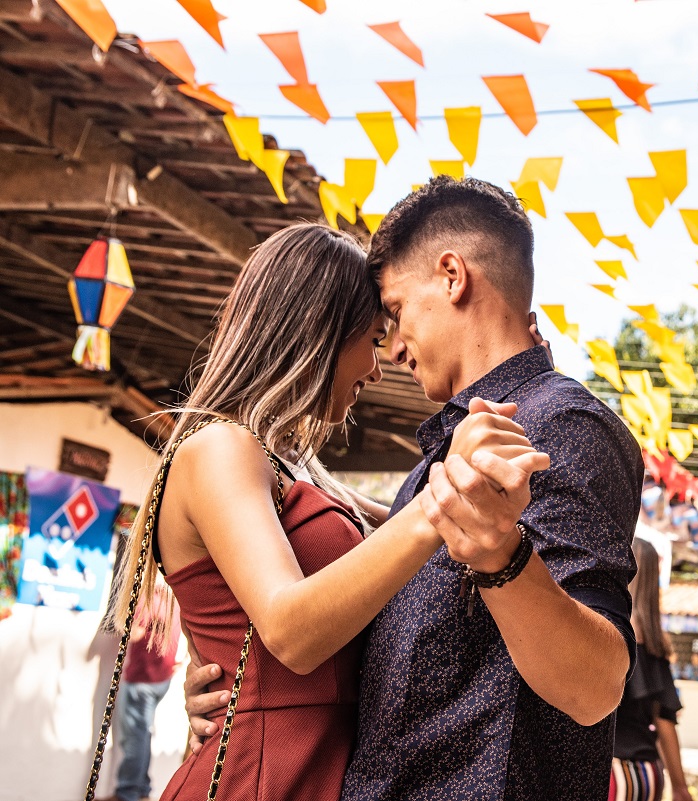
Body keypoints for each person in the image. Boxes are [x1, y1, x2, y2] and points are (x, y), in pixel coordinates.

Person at [186, 176, 643, 799]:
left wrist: (503, 559)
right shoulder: (439, 464)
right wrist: (243, 687)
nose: (394, 351)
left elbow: (595, 687)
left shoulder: (556, 424)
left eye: (395, 315)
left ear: (452, 276)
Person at [109, 222, 546, 800]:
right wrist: (444, 493)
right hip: (262, 779)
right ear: (318, 332)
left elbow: (410, 542)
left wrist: (529, 390)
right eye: (372, 339)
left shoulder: (296, 467)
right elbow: (290, 630)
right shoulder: (219, 447)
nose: (377, 368)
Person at [611, 537, 693, 801]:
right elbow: (664, 721)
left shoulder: (608, 632)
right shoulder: (656, 644)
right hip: (650, 773)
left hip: (612, 773)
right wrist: (680, 787)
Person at [97, 588, 181, 801]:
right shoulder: (172, 598)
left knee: (134, 739)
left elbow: (134, 632)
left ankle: (127, 793)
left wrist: (120, 619)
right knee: (142, 735)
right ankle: (142, 789)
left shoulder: (148, 597)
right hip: (162, 677)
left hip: (142, 678)